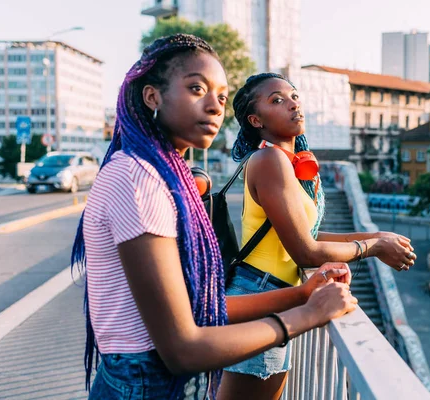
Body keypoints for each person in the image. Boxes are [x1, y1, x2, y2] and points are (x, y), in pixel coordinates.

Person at [70, 35, 358, 400]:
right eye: (196, 88)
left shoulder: (158, 174)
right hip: (144, 384)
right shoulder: (137, 179)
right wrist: (308, 315)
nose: (214, 106)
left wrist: (301, 294)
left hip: (149, 380)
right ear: (152, 96)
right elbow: (182, 349)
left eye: (221, 97)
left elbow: (197, 308)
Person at [219, 73, 417, 399]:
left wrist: (377, 235)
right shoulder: (268, 160)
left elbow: (306, 232)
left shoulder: (287, 162)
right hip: (260, 295)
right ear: (256, 120)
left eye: (294, 95)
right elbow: (307, 252)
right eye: (277, 100)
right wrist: (373, 246)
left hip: (274, 295)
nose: (293, 103)